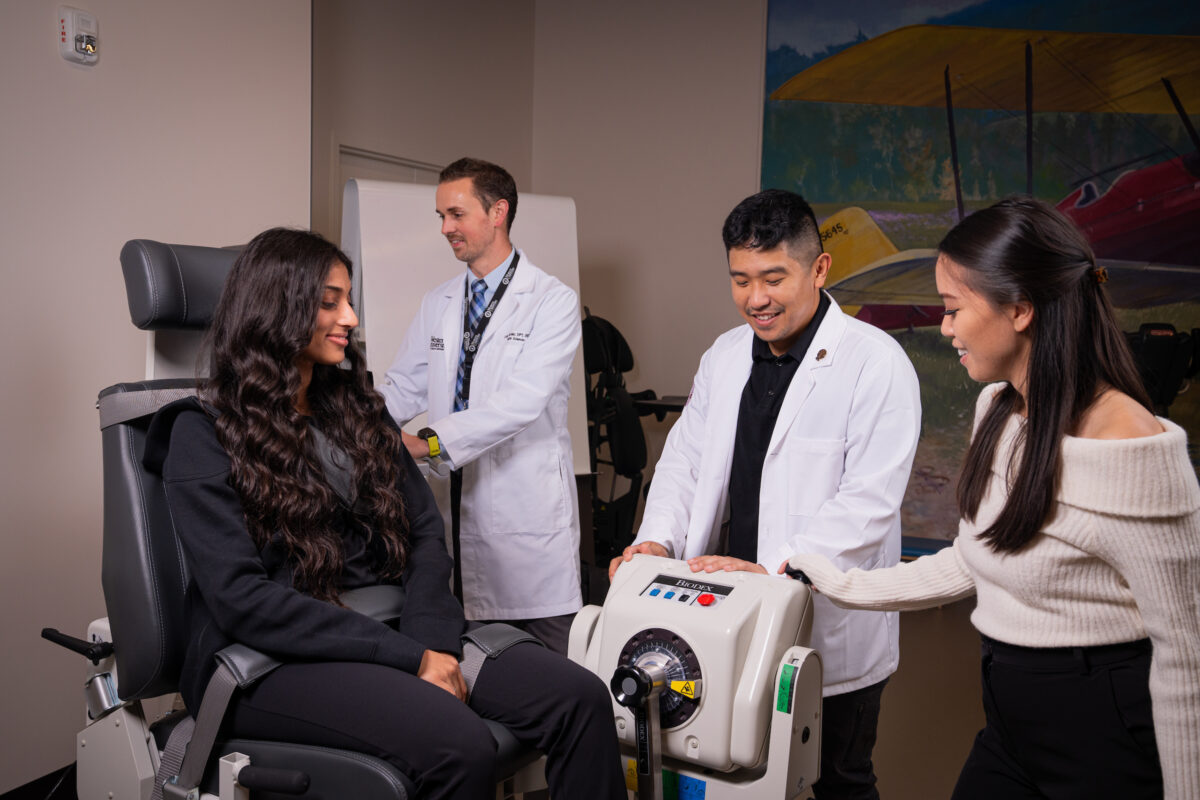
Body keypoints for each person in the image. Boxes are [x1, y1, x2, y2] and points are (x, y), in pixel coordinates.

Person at [143, 228, 625, 800]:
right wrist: (411, 657)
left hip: (395, 628)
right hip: (269, 658)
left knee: (582, 699)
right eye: (329, 302)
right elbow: (242, 601)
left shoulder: (356, 411)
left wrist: (433, 643)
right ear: (277, 306)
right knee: (459, 743)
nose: (349, 316)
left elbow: (424, 534)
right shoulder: (202, 433)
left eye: (349, 300)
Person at [784, 197, 1200, 800]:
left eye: (953, 309)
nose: (944, 327)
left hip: (1104, 731)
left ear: (1021, 309)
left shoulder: (1132, 445)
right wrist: (838, 582)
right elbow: (978, 555)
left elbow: (1186, 654)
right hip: (1010, 717)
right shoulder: (1000, 410)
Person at [611, 188, 922, 800]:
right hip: (723, 607)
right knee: (732, 772)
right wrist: (655, 539)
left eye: (774, 278)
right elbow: (685, 462)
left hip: (831, 621)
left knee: (840, 779)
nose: (756, 299)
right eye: (740, 280)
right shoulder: (724, 357)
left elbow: (868, 503)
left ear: (819, 269)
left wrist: (772, 567)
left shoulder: (876, 363)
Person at [379, 157, 581, 655]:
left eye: (456, 214)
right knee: (471, 661)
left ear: (498, 212)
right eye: (440, 217)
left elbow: (522, 402)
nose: (446, 228)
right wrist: (355, 426)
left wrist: (424, 444)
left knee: (552, 667)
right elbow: (402, 387)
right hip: (453, 508)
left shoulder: (551, 301)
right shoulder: (440, 302)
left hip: (525, 517)